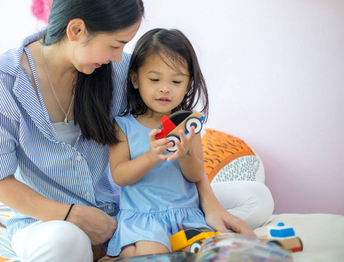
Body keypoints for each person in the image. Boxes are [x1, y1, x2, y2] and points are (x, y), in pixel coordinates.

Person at [0, 0, 273, 261]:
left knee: (256, 199)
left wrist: (211, 205)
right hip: (48, 219)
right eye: (116, 44)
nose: (120, 57)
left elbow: (179, 132)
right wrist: (74, 217)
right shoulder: (2, 81)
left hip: (129, 208)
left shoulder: (118, 71)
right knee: (65, 243)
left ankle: (153, 240)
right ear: (76, 30)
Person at [106, 28, 267, 257]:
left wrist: (186, 154)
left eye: (176, 81)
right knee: (152, 255)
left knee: (209, 254)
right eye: (154, 79)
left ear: (188, 84)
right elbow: (120, 176)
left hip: (187, 215)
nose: (165, 88)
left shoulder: (189, 123)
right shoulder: (124, 125)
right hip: (145, 219)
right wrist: (150, 157)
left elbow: (195, 174)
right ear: (135, 79)